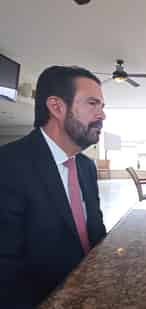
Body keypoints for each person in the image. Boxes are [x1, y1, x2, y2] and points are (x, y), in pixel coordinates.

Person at [0, 66, 107, 307]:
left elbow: (95, 234)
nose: (102, 115)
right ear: (57, 107)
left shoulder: (86, 167)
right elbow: (5, 268)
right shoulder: (7, 166)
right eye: (93, 104)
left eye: (102, 106)